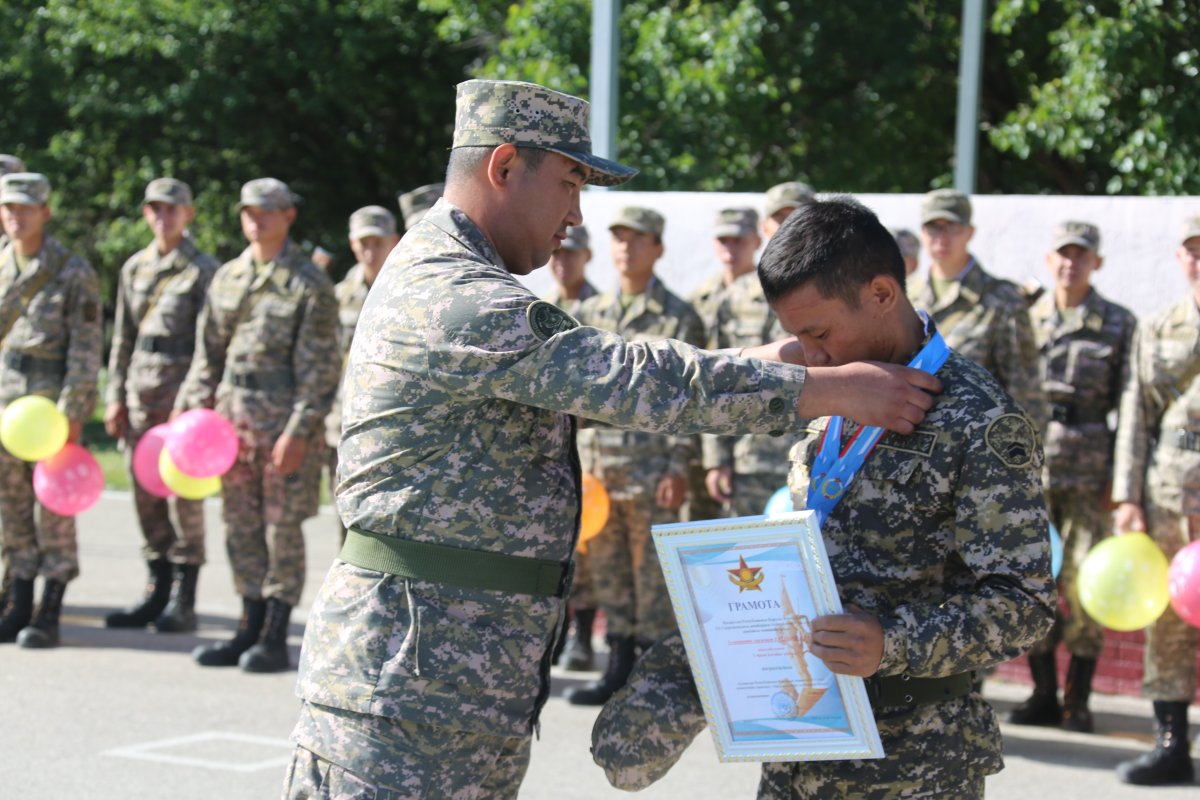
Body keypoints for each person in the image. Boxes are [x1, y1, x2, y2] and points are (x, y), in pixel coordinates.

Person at [281, 79, 940, 800]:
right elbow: (622, 375)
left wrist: (772, 362)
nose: (574, 214)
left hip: (446, 686)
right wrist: (828, 389)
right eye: (568, 183)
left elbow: (607, 375)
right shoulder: (454, 295)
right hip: (404, 706)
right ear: (503, 167)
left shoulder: (455, 278)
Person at [591, 196, 1056, 799]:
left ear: (882, 294)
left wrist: (891, 643)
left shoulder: (979, 418)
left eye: (819, 333)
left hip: (914, 763)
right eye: (796, 337)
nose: (810, 357)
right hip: (797, 747)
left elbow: (1023, 604)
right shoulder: (835, 387)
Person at [175, 177, 339, 673]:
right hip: (231, 425)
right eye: (249, 211)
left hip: (281, 427)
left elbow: (321, 371)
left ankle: (274, 633)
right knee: (239, 526)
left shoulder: (309, 284)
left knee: (280, 530)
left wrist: (299, 430)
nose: (256, 219)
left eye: (267, 211)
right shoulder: (227, 277)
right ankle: (246, 624)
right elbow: (208, 356)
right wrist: (190, 414)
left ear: (288, 215)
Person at [566, 206, 707, 706]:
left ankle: (653, 682)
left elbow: (694, 401)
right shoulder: (592, 315)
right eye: (620, 238)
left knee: (654, 582)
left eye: (638, 239)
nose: (626, 247)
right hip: (600, 470)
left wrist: (678, 467)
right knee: (609, 576)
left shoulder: (679, 315)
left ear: (658, 248)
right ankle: (616, 671)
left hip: (652, 472)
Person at [1007, 221, 1136, 733]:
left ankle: (1077, 700)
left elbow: (1128, 406)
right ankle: (1042, 691)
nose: (1071, 263)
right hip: (1028, 470)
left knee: (1085, 587)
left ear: (1096, 263)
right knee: (1036, 579)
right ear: (1049, 258)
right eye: (1063, 254)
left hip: (1088, 473)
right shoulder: (1025, 314)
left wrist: (1121, 482)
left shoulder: (1117, 323)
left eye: (1081, 256)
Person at [104, 178, 219, 633]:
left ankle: (183, 601)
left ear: (188, 214)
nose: (162, 216)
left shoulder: (203, 270)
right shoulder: (135, 268)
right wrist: (114, 395)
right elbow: (122, 339)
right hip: (139, 402)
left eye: (172, 209)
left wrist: (191, 404)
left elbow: (208, 345)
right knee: (146, 499)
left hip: (179, 404)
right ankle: (155, 592)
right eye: (154, 208)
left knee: (182, 503)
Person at [1109, 216, 1200, 786]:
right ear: (1181, 256)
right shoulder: (1159, 325)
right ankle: (1171, 746)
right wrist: (1126, 496)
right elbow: (1135, 414)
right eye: (1195, 249)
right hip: (1168, 494)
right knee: (1167, 621)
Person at [0, 172, 102, 649]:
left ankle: (51, 608)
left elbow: (85, 349)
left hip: (49, 410)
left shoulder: (70, 270)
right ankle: (18, 602)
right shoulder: (2, 263)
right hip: (5, 405)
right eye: (8, 208)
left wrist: (74, 414)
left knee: (52, 510)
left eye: (25, 208)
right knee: (12, 507)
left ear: (45, 211)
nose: (15, 217)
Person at [908, 189, 1046, 430]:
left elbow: (1024, 388)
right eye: (934, 227)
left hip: (974, 446)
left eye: (951, 227)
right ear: (922, 232)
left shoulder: (1003, 299)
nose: (942, 237)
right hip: (909, 441)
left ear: (969, 232)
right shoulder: (906, 296)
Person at [701, 206, 791, 517]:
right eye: (781, 219)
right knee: (745, 562)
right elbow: (714, 379)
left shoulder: (831, 290)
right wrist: (718, 459)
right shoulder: (734, 296)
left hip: (808, 455)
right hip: (748, 458)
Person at [324, 206, 400, 546]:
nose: (369, 251)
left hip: (393, 418)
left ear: (393, 241)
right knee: (346, 510)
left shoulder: (407, 290)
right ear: (352, 244)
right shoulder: (340, 296)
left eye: (377, 242)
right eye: (362, 242)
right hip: (345, 419)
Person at [543, 222, 598, 671]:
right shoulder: (540, 308)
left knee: (597, 556)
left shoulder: (599, 309)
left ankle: (583, 636)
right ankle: (557, 634)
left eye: (572, 255)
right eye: (559, 255)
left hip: (597, 446)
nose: (563, 262)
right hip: (555, 447)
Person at [542, 224, 596, 316]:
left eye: (570, 252)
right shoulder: (542, 306)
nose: (561, 261)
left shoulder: (602, 309)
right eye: (555, 252)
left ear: (588, 255)